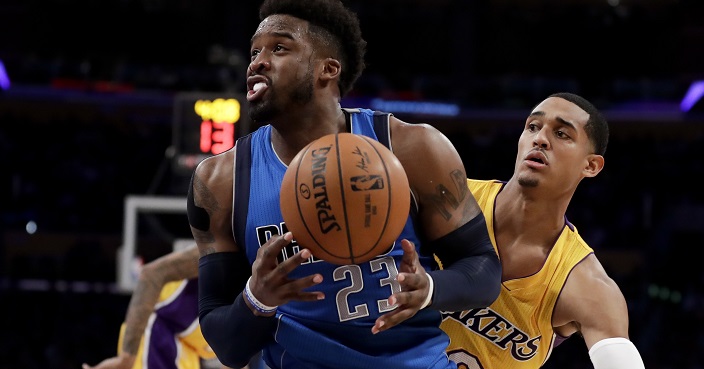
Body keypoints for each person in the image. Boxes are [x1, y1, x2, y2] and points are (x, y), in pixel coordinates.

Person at [186, 0, 502, 368]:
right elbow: (226, 346)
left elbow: (483, 268)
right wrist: (256, 300)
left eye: (279, 48)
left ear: (328, 69)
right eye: (255, 51)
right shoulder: (220, 182)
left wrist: (431, 288)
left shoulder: (412, 147)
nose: (257, 61)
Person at [439, 92, 646, 369]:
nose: (540, 139)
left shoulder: (588, 286)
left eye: (561, 134)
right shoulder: (447, 201)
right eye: (533, 127)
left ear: (591, 165)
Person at [82, 244, 266, 369]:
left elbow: (237, 349)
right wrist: (126, 357)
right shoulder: (233, 246)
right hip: (157, 326)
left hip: (197, 345)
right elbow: (152, 274)